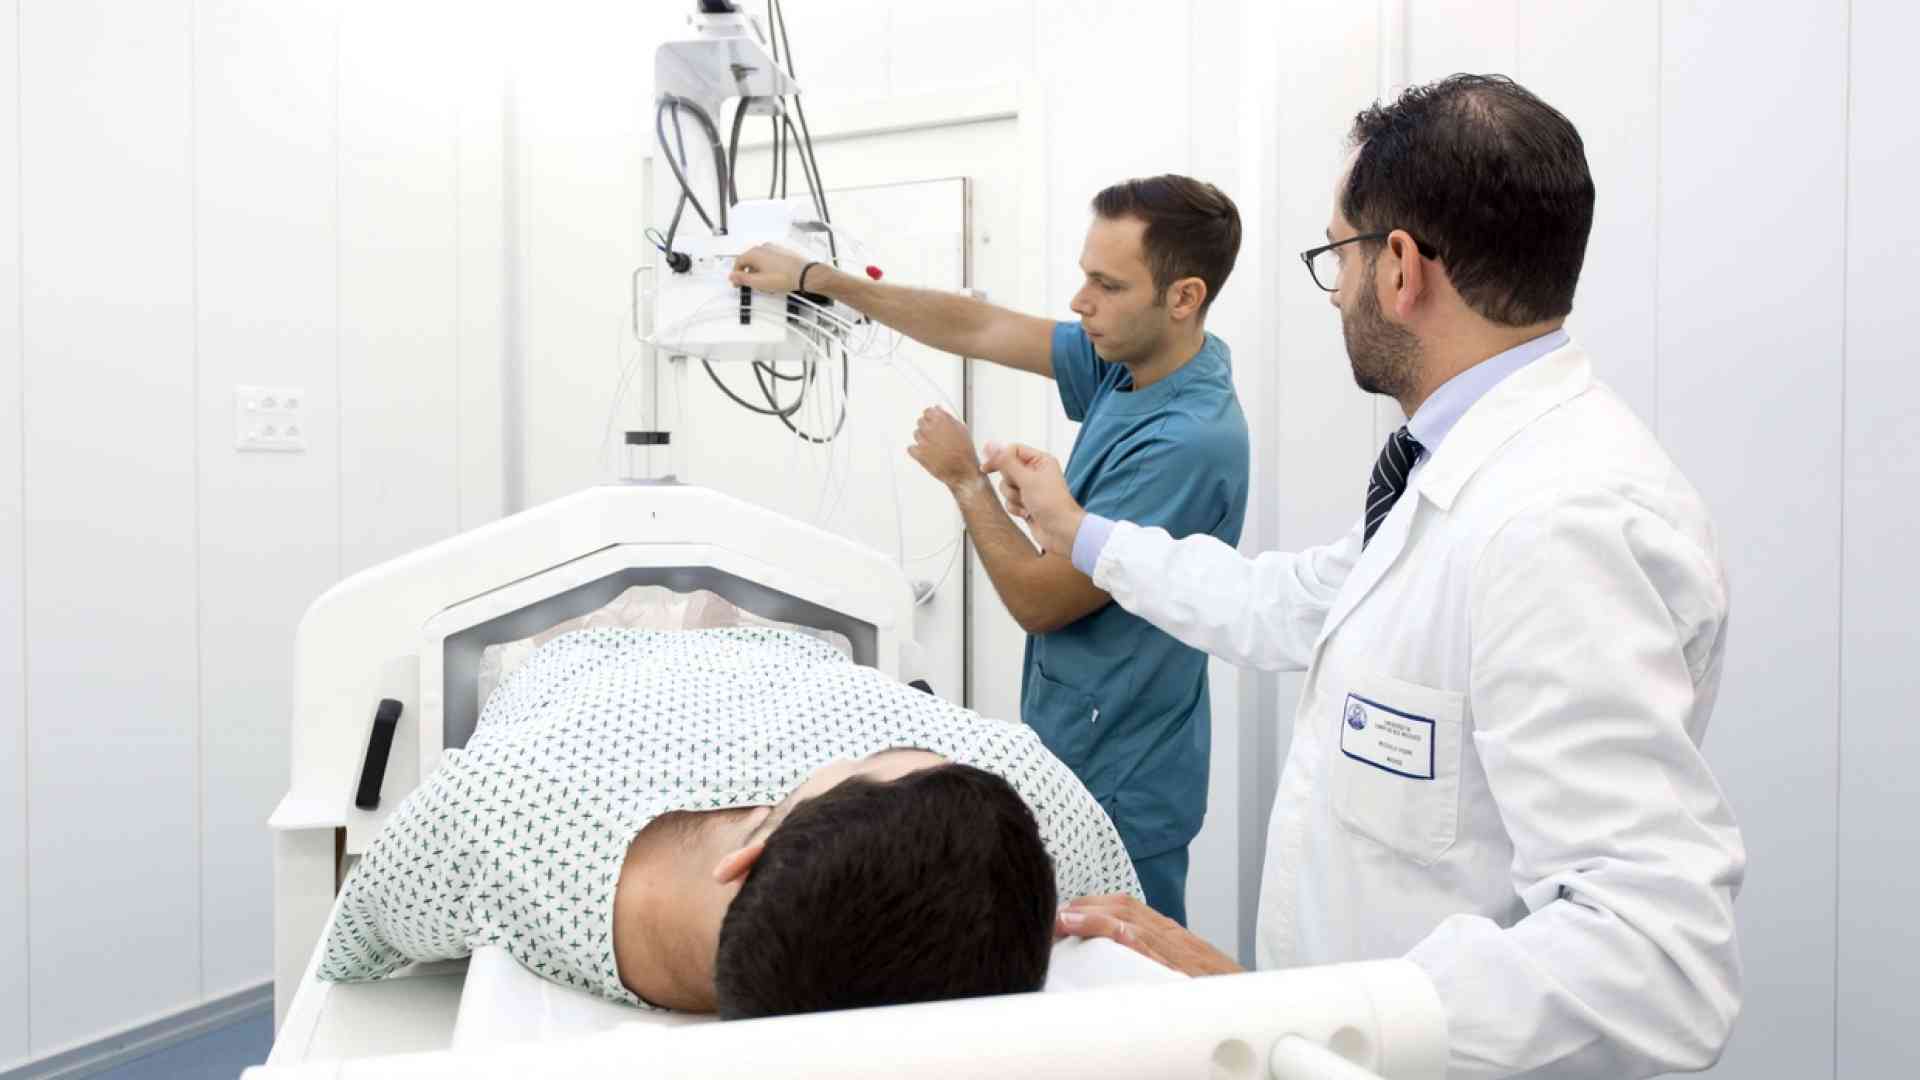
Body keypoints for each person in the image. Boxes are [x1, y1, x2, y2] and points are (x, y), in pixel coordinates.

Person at [1001, 76, 1746, 1078]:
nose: (1337, 291)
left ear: (1398, 267)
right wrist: (1084, 534)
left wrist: (1287, 1010)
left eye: (1337, 257)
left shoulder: (1559, 520)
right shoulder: (1457, 476)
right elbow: (1287, 604)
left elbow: (1654, 961)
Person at [728, 176, 1249, 923]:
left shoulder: (1186, 439)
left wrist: (966, 481)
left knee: (1127, 973)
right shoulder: (1134, 364)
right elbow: (979, 328)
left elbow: (1041, 599)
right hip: (1078, 737)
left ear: (1184, 297)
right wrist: (819, 279)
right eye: (1085, 276)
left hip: (1123, 773)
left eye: (1107, 285)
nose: (1080, 302)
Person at [318, 626, 1142, 1019]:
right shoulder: (1033, 798)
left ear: (747, 855)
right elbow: (1132, 919)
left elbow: (350, 959)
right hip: (801, 653)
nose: (906, 744)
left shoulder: (490, 811)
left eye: (862, 761)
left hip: (579, 658)